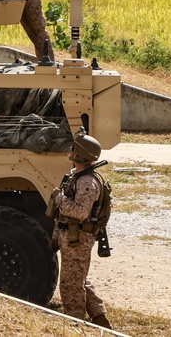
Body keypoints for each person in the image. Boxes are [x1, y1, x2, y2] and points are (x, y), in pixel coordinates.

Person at [50, 129, 113, 329]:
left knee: (70, 284)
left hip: (78, 238)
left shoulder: (87, 183)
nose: (71, 150)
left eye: (75, 148)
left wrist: (60, 200)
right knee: (78, 277)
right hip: (69, 235)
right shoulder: (75, 176)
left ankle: (74, 322)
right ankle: (98, 314)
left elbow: (80, 212)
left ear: (80, 155)